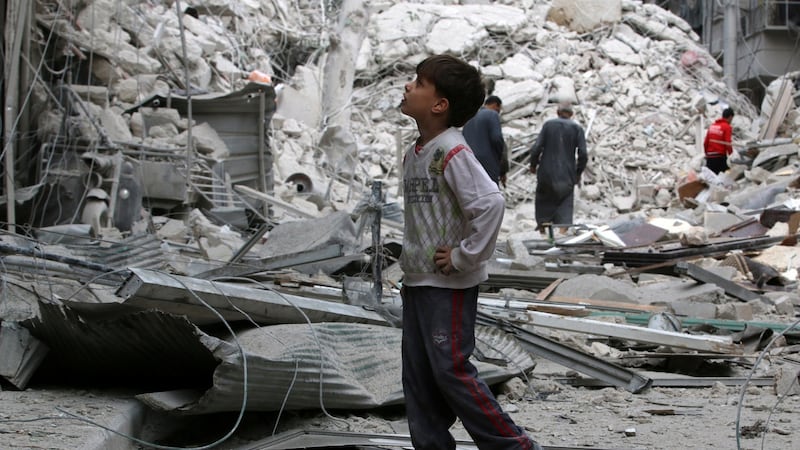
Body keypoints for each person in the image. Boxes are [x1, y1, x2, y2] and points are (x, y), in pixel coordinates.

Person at [398, 54, 540, 450]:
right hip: (419, 281)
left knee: (452, 370)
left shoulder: (452, 152)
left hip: (449, 285)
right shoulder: (416, 152)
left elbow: (491, 203)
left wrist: (464, 256)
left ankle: (512, 445)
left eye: (419, 83)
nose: (409, 86)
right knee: (419, 377)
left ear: (440, 105)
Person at [529, 102, 588, 235]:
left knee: (544, 201)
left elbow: (537, 147)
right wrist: (578, 172)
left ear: (557, 112)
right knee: (565, 203)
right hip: (567, 174)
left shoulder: (548, 125)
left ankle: (543, 232)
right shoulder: (577, 129)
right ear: (572, 114)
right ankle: (562, 233)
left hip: (546, 173)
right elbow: (583, 153)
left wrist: (533, 165)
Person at [462, 95, 509, 187]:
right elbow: (497, 138)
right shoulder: (492, 114)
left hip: (468, 163)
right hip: (487, 165)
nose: (498, 112)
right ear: (496, 105)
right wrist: (500, 161)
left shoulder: (469, 117)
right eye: (499, 110)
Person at [703, 107, 734, 174]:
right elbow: (728, 143)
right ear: (730, 117)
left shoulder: (712, 126)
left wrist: (707, 154)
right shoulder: (727, 127)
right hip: (720, 158)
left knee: (711, 179)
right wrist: (731, 155)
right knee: (725, 177)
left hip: (710, 158)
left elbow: (705, 142)